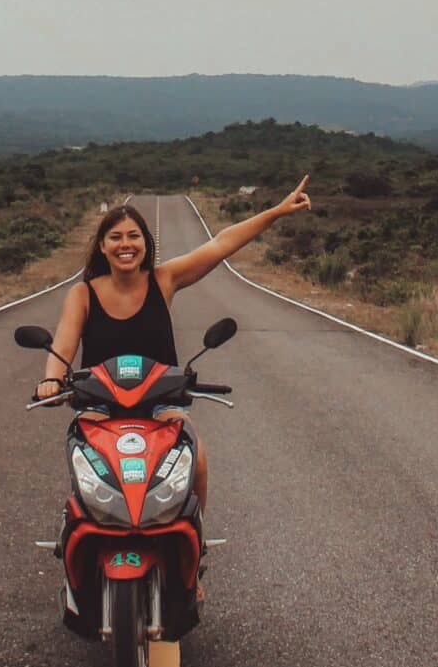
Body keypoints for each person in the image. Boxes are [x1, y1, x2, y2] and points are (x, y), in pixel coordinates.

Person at [35, 181, 315, 512]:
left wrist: (277, 212)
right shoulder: (83, 294)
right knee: (88, 472)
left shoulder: (164, 280)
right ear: (102, 246)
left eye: (133, 236)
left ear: (145, 242)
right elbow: (63, 347)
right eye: (116, 237)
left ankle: (191, 544)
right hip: (100, 404)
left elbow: (221, 245)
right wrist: (51, 379)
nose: (126, 244)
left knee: (196, 462)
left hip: (159, 402)